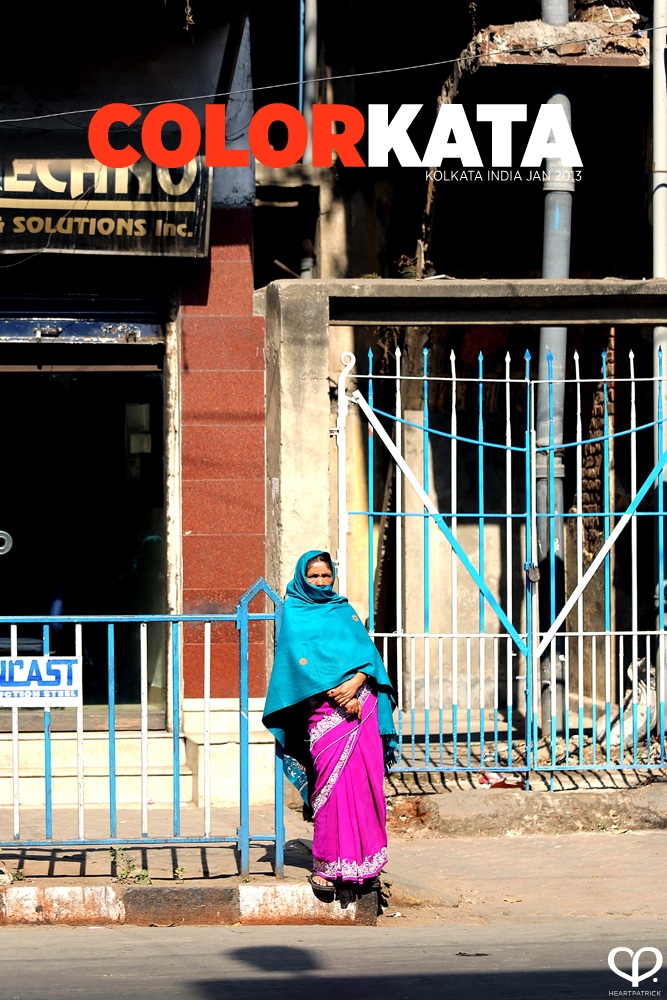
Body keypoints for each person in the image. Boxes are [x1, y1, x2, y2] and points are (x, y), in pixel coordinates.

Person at [263, 550, 397, 896]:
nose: (322, 582)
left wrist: (355, 685)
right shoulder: (293, 611)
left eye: (326, 576)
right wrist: (340, 696)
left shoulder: (344, 610)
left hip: (361, 708)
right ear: (301, 578)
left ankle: (365, 866)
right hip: (323, 712)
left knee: (366, 788)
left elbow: (369, 657)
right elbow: (298, 665)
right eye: (315, 577)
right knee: (331, 791)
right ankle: (327, 865)